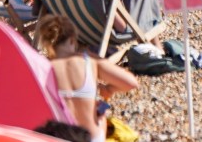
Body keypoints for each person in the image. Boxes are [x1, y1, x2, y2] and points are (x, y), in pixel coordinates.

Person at [38, 14, 139, 142]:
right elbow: (131, 82)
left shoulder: (43, 67)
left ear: (48, 44)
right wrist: (109, 89)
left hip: (60, 137)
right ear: (72, 41)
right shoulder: (88, 61)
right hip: (92, 137)